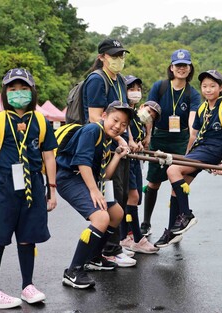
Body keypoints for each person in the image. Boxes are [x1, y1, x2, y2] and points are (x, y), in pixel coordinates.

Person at [0, 68, 58, 309]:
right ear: (5, 93)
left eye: (23, 88)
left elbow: (49, 157)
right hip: (3, 184)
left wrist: (51, 189)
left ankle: (28, 286)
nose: (18, 93)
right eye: (12, 89)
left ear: (32, 91)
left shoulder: (41, 121)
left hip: (32, 182)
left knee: (28, 237)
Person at [56, 101, 134, 289]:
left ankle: (93, 258)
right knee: (101, 217)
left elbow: (105, 174)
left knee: (116, 214)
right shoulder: (92, 130)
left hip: (87, 179)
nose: (118, 127)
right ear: (104, 116)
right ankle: (73, 271)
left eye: (124, 125)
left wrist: (117, 156)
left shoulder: (106, 139)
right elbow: (82, 162)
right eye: (116, 120)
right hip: (70, 178)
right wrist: (93, 190)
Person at [155, 69, 222, 248]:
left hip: (214, 150)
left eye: (212, 86)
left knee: (172, 170)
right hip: (200, 149)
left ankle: (186, 214)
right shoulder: (203, 108)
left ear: (220, 88)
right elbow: (193, 134)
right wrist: (186, 156)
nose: (208, 89)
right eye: (205, 86)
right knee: (177, 186)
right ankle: (172, 230)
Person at [82, 37, 136, 267]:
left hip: (118, 145)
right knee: (112, 197)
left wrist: (131, 140)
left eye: (121, 55)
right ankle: (109, 250)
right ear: (102, 57)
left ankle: (110, 247)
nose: (119, 60)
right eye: (114, 55)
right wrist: (119, 138)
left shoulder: (120, 81)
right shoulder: (97, 80)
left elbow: (125, 117)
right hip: (104, 147)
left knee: (121, 196)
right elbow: (95, 118)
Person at [141, 49, 201, 238]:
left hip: (181, 139)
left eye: (185, 66)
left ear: (190, 68)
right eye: (178, 65)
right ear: (172, 67)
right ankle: (146, 222)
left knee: (177, 183)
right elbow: (149, 114)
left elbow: (193, 120)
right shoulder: (160, 87)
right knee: (154, 182)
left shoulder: (192, 93)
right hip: (160, 137)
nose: (182, 69)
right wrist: (147, 136)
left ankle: (174, 228)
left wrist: (191, 142)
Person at [119, 75, 161, 254]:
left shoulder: (140, 120)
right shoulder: (123, 110)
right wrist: (129, 139)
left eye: (138, 89)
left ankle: (126, 236)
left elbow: (142, 139)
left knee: (132, 199)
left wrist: (148, 131)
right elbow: (124, 127)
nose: (135, 92)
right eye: (131, 88)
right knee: (131, 197)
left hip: (134, 161)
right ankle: (136, 238)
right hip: (123, 159)